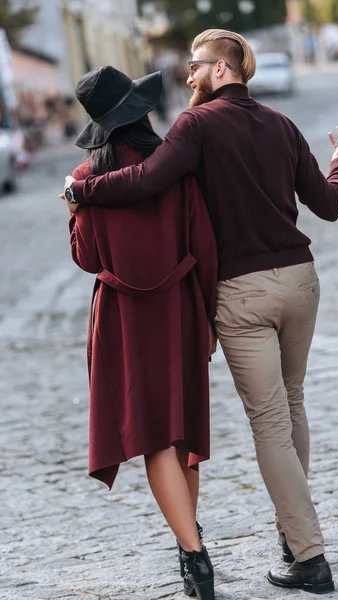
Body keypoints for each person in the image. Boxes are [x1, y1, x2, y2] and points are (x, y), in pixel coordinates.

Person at [62, 30, 338, 595]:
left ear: (221, 69)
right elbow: (322, 206)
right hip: (283, 285)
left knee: (248, 424)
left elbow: (123, 212)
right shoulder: (278, 125)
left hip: (207, 301)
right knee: (281, 409)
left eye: (194, 66)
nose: (187, 76)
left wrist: (83, 193)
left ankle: (287, 555)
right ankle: (290, 536)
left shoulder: (185, 133)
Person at [65, 66, 218, 600]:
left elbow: (86, 258)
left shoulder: (86, 178)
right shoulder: (173, 166)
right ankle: (189, 542)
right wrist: (210, 314)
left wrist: (73, 209)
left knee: (154, 436)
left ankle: (194, 557)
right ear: (140, 112)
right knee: (181, 436)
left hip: (124, 319)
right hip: (179, 305)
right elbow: (204, 243)